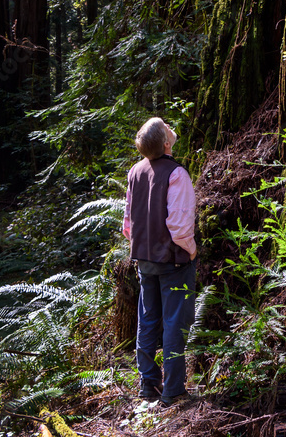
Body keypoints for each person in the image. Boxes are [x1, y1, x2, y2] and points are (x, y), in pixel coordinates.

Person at [122, 117, 197, 407]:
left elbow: (127, 224)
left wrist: (139, 246)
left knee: (148, 319)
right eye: (165, 126)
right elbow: (179, 226)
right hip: (174, 260)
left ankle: (148, 384)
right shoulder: (176, 174)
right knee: (175, 323)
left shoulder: (135, 172)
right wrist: (190, 251)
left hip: (144, 259)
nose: (170, 127)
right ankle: (173, 390)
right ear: (166, 143)